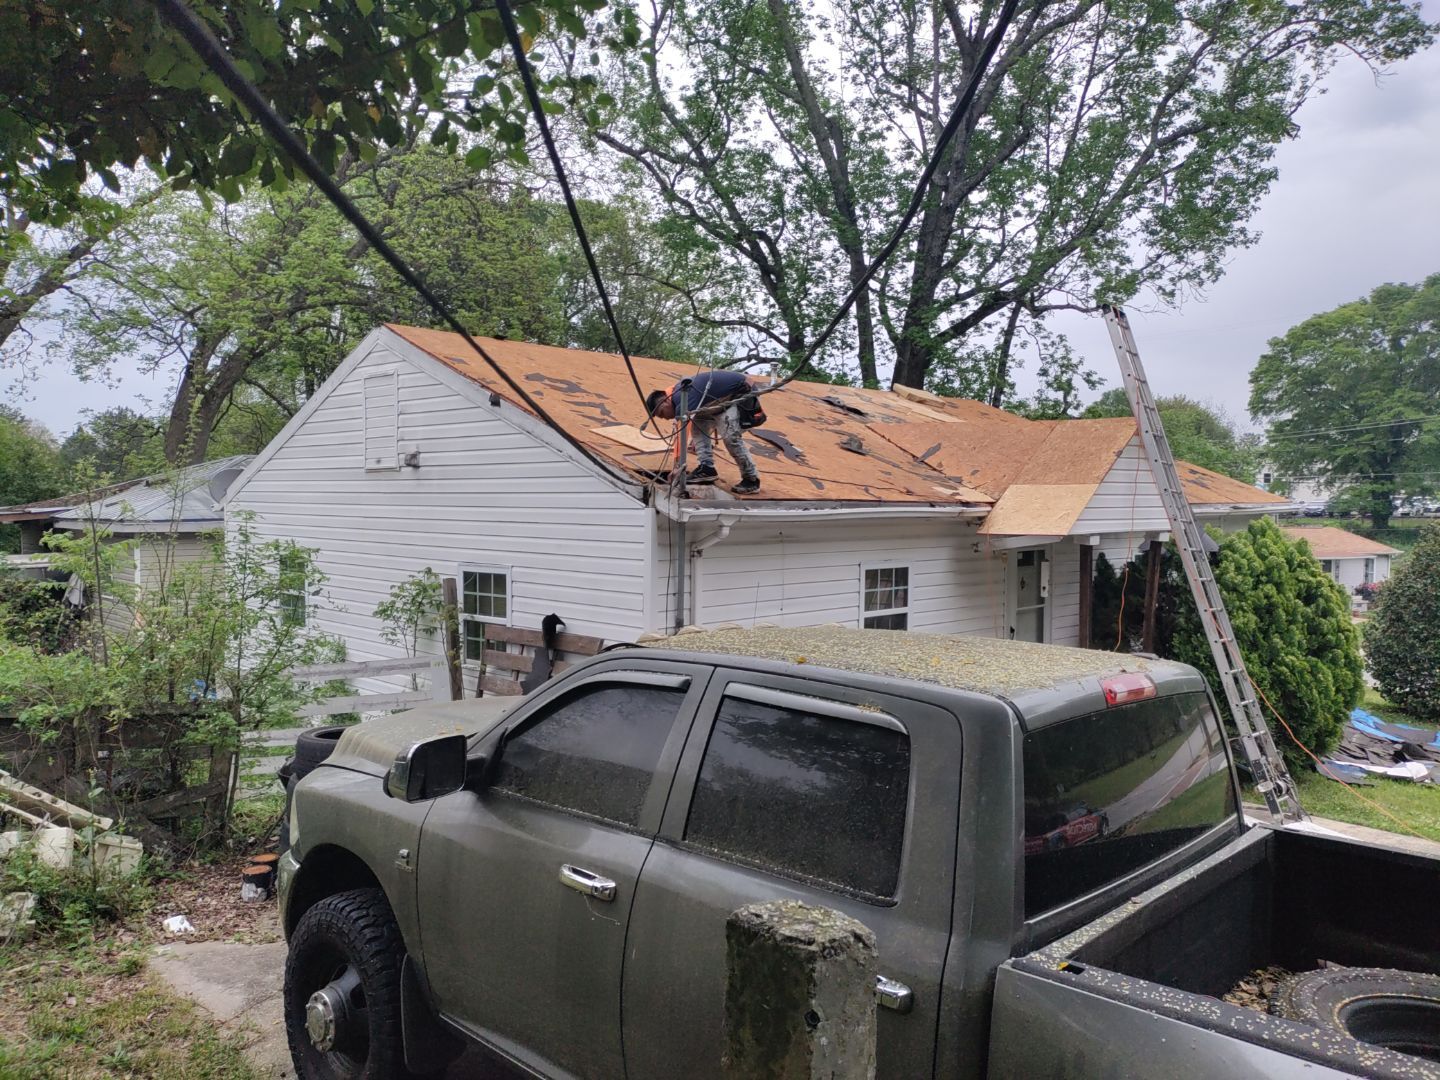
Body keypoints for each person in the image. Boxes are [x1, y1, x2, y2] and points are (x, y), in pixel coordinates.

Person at [645, 370, 761, 494]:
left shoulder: (682, 398)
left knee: (730, 437)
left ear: (665, 401)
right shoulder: (678, 394)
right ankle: (707, 469)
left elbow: (682, 434)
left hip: (739, 391)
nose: (666, 418)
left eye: (662, 413)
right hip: (718, 401)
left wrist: (677, 467)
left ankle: (751, 479)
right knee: (698, 424)